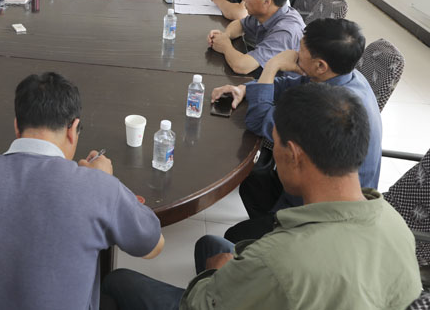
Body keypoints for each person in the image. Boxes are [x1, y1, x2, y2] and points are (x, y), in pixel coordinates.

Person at [102, 84, 422, 310]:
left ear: (293, 155)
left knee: (118, 282)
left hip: (268, 283)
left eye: (276, 143)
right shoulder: (395, 224)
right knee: (210, 245)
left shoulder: (279, 259)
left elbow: (197, 304)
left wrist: (218, 278)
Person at [0, 72, 164, 310]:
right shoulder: (98, 188)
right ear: (72, 129)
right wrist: (103, 182)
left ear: (17, 127)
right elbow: (153, 245)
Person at [211, 18, 383, 242]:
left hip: (326, 217)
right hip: (315, 183)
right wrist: (244, 88)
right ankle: (271, 227)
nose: (293, 53)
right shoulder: (344, 75)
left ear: (320, 65)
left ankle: (282, 237)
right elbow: (288, 85)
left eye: (301, 49)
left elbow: (258, 120)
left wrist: (272, 65)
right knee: (253, 178)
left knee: (233, 238)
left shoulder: (330, 109)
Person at [207, 0, 304, 75]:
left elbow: (242, 66)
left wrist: (225, 46)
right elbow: (240, 24)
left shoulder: (285, 32)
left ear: (266, 1)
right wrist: (225, 35)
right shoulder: (270, 12)